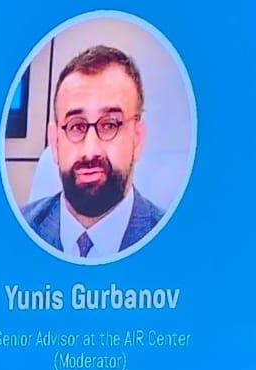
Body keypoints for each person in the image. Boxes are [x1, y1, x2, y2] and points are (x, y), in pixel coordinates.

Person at [22, 45, 164, 259]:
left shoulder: (178, 244)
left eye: (109, 125)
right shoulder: (14, 232)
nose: (90, 150)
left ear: (137, 139)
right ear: (55, 142)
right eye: (76, 126)